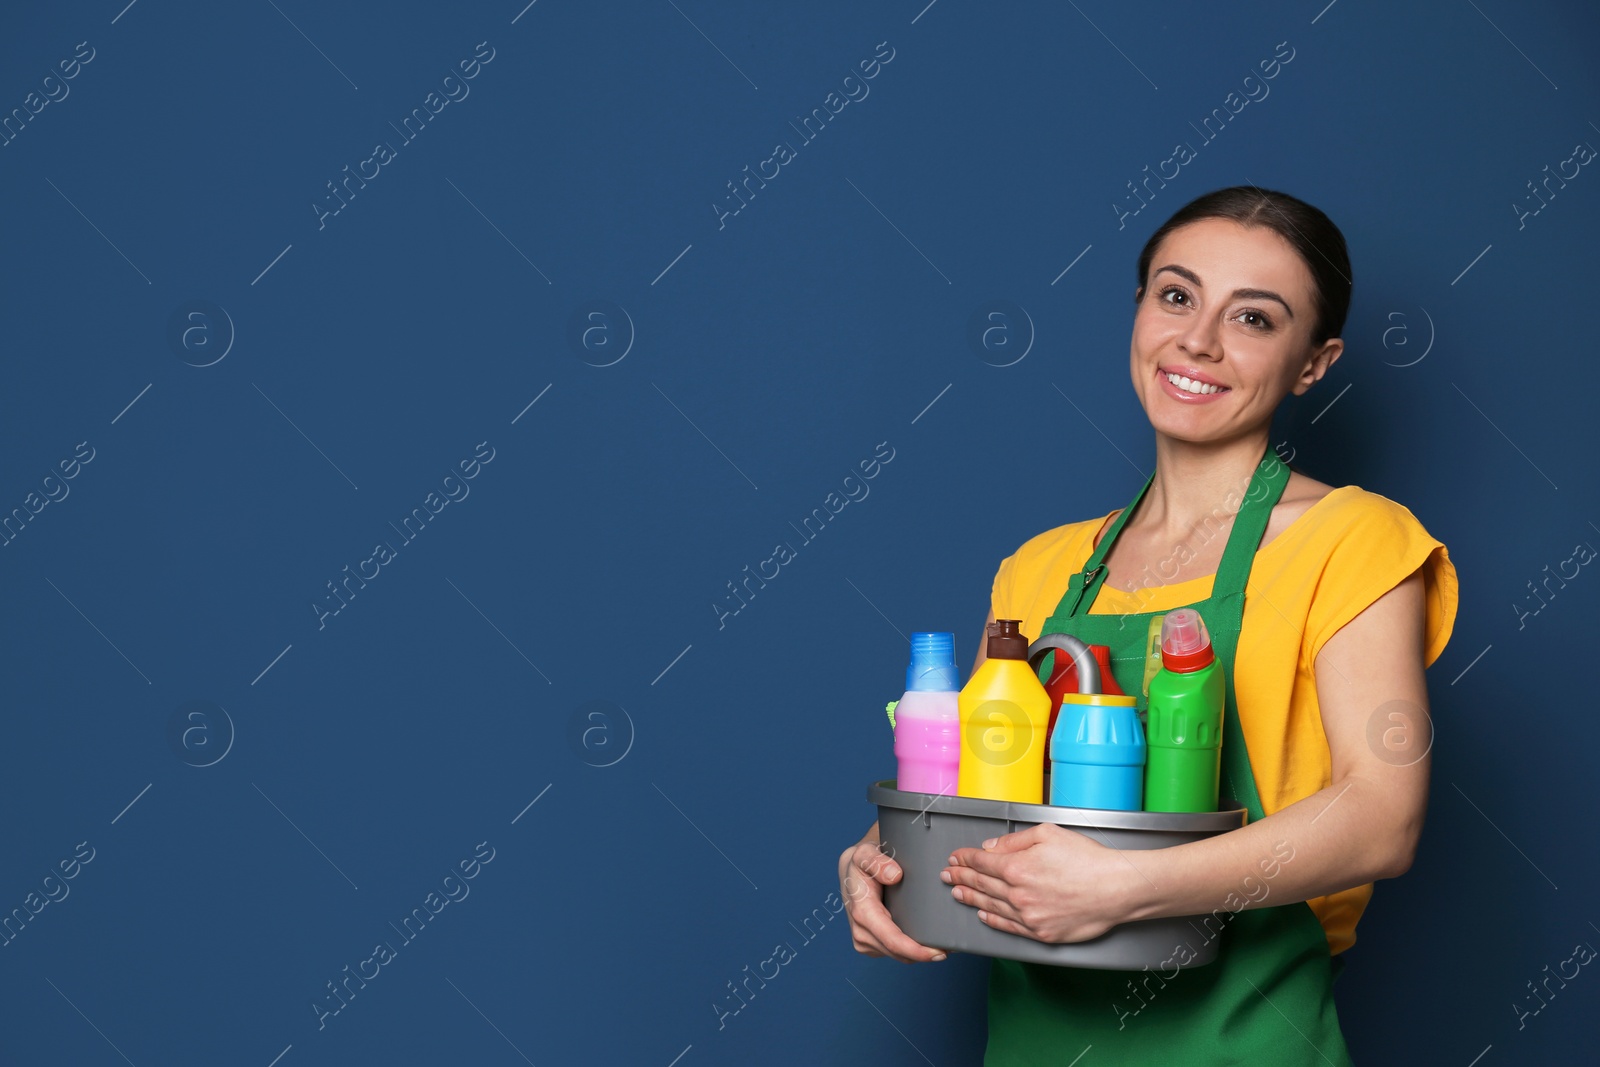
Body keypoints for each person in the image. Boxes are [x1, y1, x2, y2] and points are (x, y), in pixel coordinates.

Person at [837, 185, 1459, 1064]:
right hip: (1034, 1040)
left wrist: (1128, 888)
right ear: (1138, 310)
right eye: (1176, 295)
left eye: (1253, 318)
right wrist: (876, 857)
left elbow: (1380, 816)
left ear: (1313, 363)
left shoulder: (1353, 541)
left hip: (1239, 1041)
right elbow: (972, 787)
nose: (1198, 340)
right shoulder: (1042, 567)